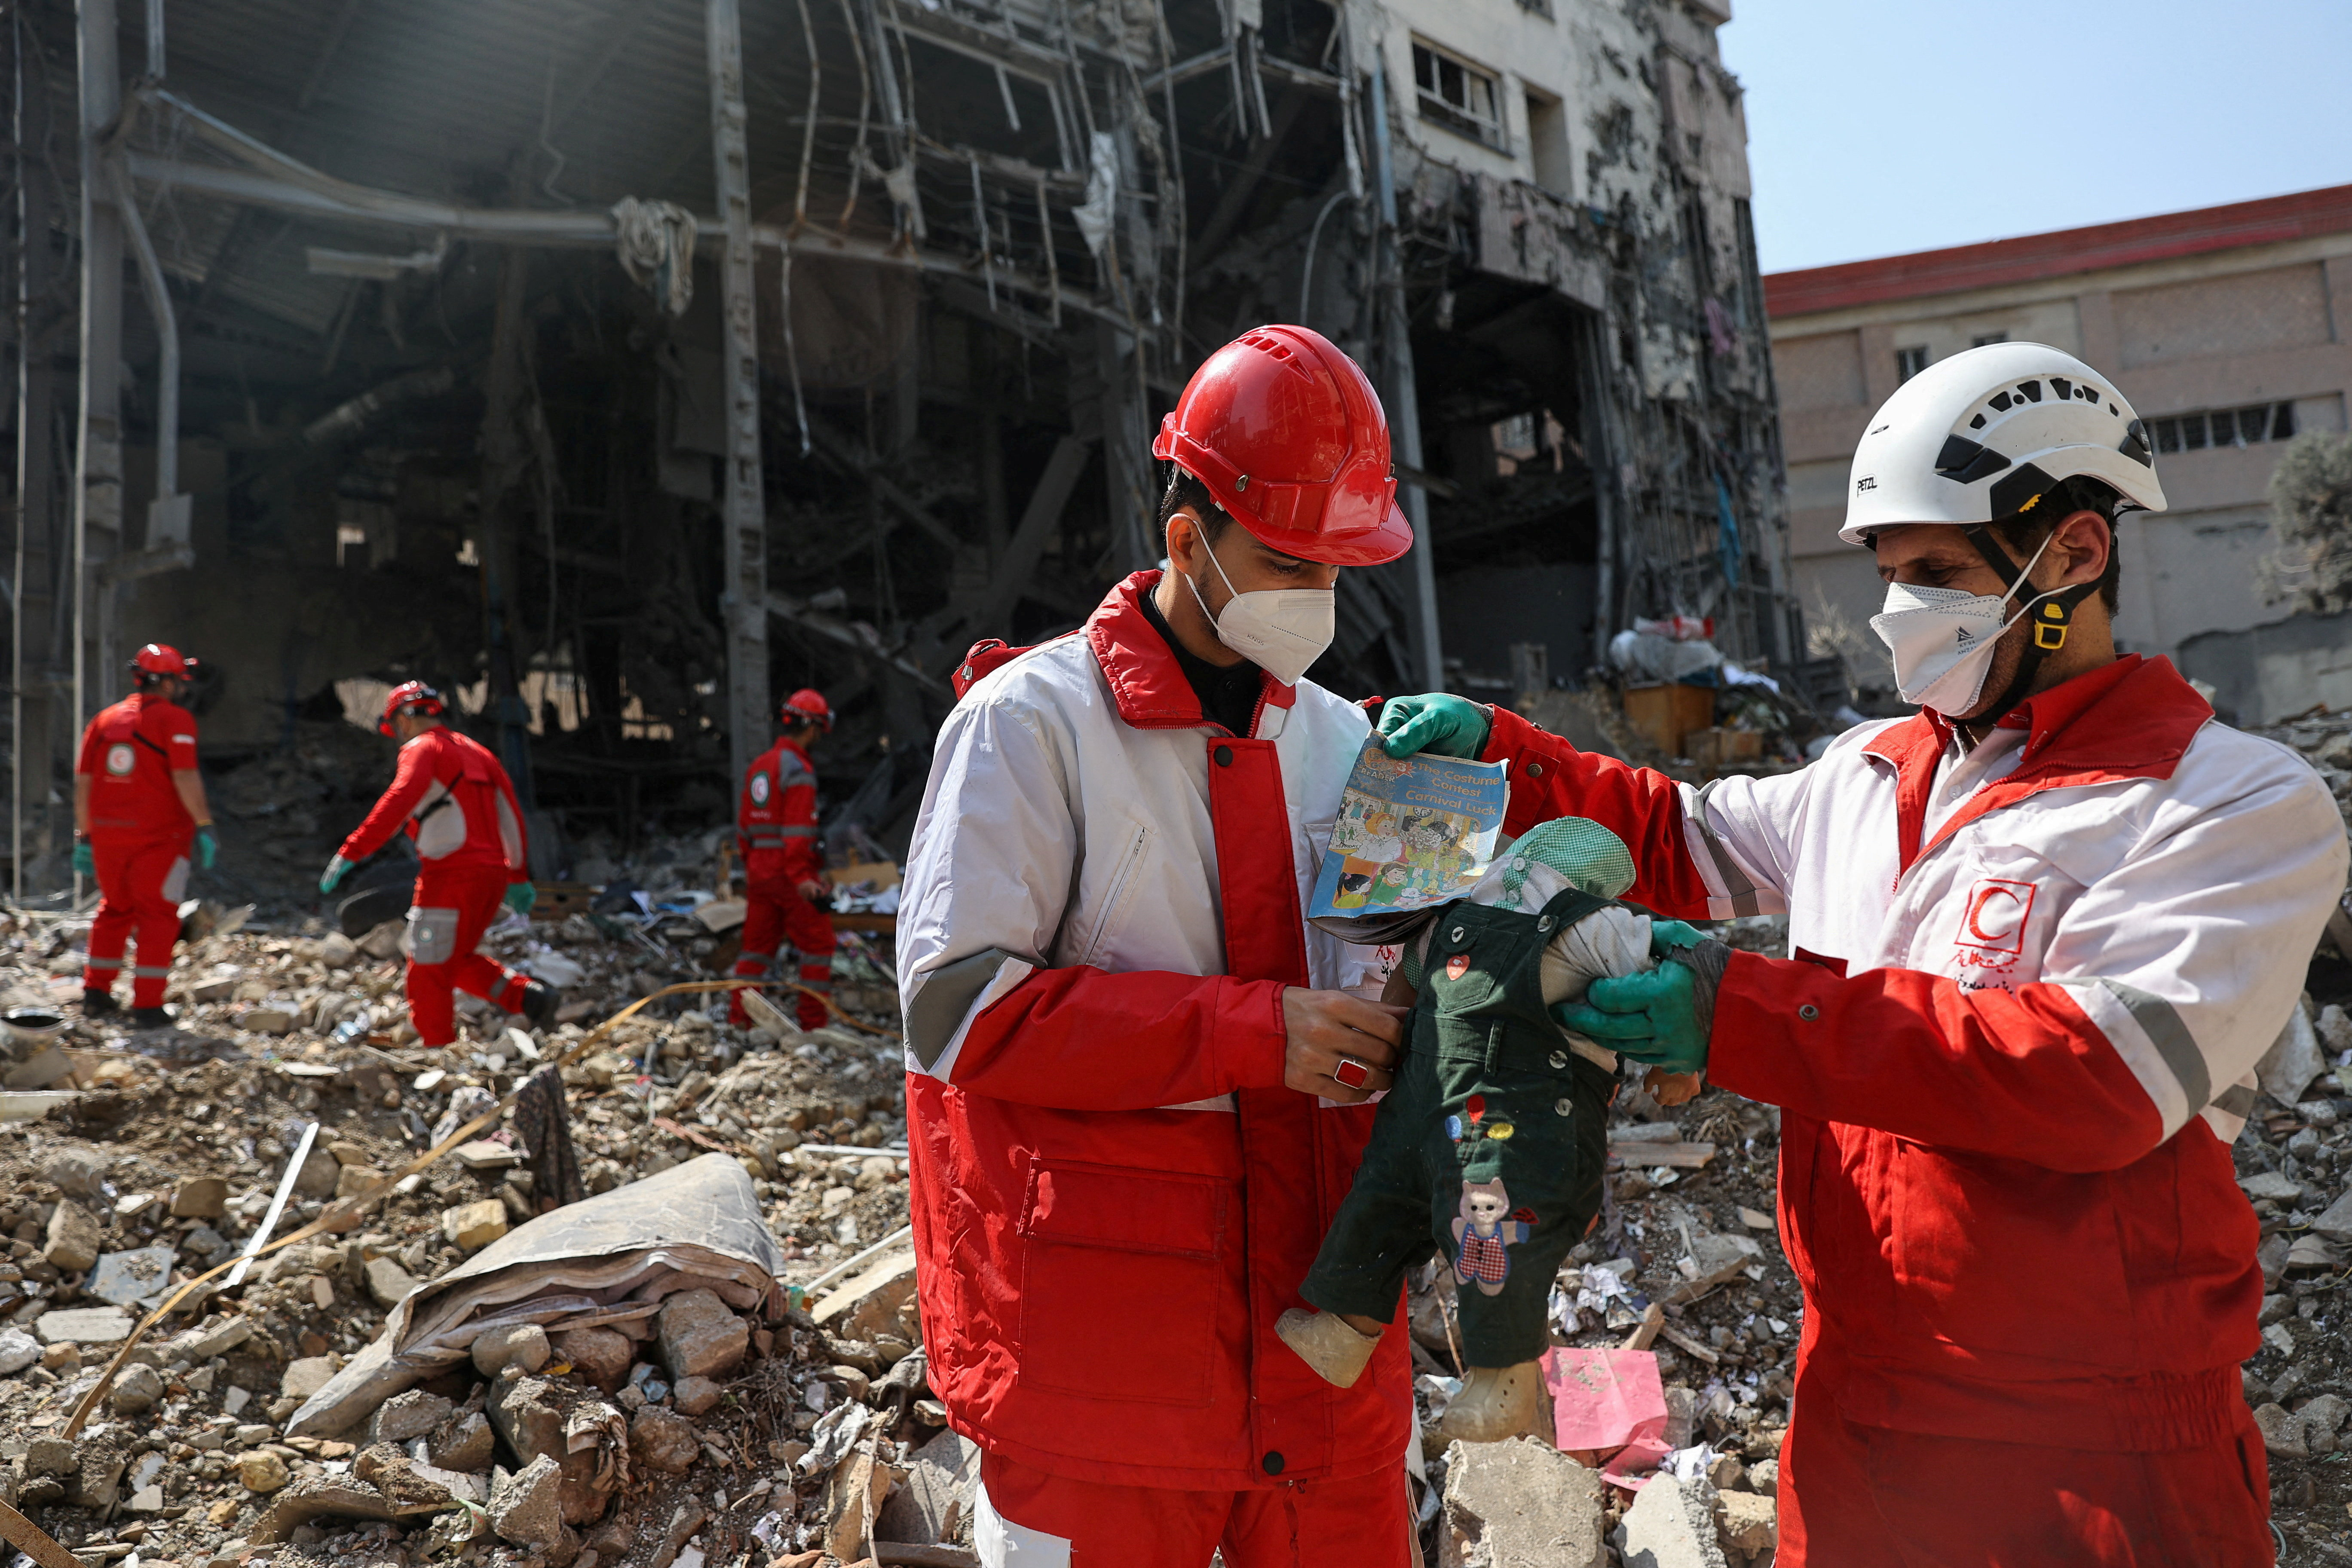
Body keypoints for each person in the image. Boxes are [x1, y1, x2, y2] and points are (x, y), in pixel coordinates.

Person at [1378, 341, 2347, 1563]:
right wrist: (1504, 755)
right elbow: (1679, 834)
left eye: (1938, 571)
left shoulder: (2228, 803)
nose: (1903, 611)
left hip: (2097, 1453)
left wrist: (1744, 1014)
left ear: (2076, 555)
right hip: (1857, 1417)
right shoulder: (1868, 774)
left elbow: (2099, 1077)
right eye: (1892, 575)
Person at [897, 325, 1421, 1567]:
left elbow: (1398, 985)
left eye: (1341, 569)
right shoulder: (1031, 724)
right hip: (1107, 1375)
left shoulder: (1352, 746)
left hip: (1324, 1366)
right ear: (1188, 539)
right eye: (1291, 565)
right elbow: (958, 1015)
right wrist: (1257, 1033)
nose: (1319, 602)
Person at [320, 681, 554, 1046]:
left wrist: (353, 850)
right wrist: (518, 874)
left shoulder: (422, 748)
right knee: (455, 959)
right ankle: (529, 998)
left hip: (449, 879)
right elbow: (511, 814)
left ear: (404, 721)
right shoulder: (480, 753)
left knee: (427, 967)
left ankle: (438, 1050)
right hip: (491, 879)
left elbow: (399, 800)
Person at [74, 643, 219, 1028]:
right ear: (169, 683)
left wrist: (84, 834)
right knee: (158, 916)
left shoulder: (104, 721)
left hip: (107, 839)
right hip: (160, 840)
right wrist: (205, 825)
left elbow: (84, 782)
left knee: (114, 910)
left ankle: (96, 995)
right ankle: (148, 1007)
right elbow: (185, 777)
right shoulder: (175, 721)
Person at [729, 688, 837, 1032]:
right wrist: (805, 878)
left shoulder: (760, 766)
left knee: (755, 951)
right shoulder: (799, 769)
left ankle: (740, 1020)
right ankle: (813, 1025)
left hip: (760, 874)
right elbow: (798, 832)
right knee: (819, 946)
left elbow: (744, 829)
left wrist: (755, 867)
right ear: (812, 728)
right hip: (791, 877)